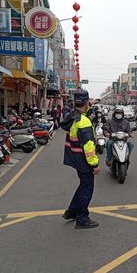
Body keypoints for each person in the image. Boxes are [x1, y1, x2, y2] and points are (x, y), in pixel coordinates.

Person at [60, 90, 101, 229]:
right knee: (87, 189)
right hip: (83, 160)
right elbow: (89, 146)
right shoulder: (83, 122)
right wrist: (94, 164)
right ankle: (82, 218)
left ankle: (72, 211)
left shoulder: (72, 116)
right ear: (86, 102)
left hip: (74, 157)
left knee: (83, 185)